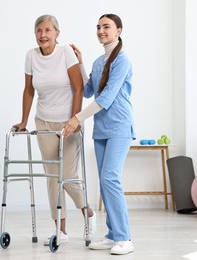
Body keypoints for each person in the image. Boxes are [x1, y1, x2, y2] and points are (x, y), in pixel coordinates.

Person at [13, 14, 96, 246]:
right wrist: (23, 121)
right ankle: (61, 231)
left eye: (48, 30)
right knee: (52, 177)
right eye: (39, 30)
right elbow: (28, 90)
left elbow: (79, 88)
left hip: (68, 123)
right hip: (44, 122)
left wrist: (76, 119)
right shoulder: (31, 56)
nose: (43, 35)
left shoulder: (66, 53)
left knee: (67, 176)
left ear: (57, 33)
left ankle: (87, 212)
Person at [63, 14, 135, 255]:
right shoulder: (97, 61)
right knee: (105, 183)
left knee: (111, 178)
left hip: (120, 127)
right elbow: (89, 90)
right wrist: (82, 62)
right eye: (98, 27)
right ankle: (112, 234)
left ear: (118, 30)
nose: (101, 30)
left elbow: (106, 98)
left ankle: (125, 237)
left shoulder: (122, 60)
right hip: (102, 129)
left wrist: (77, 118)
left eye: (106, 26)